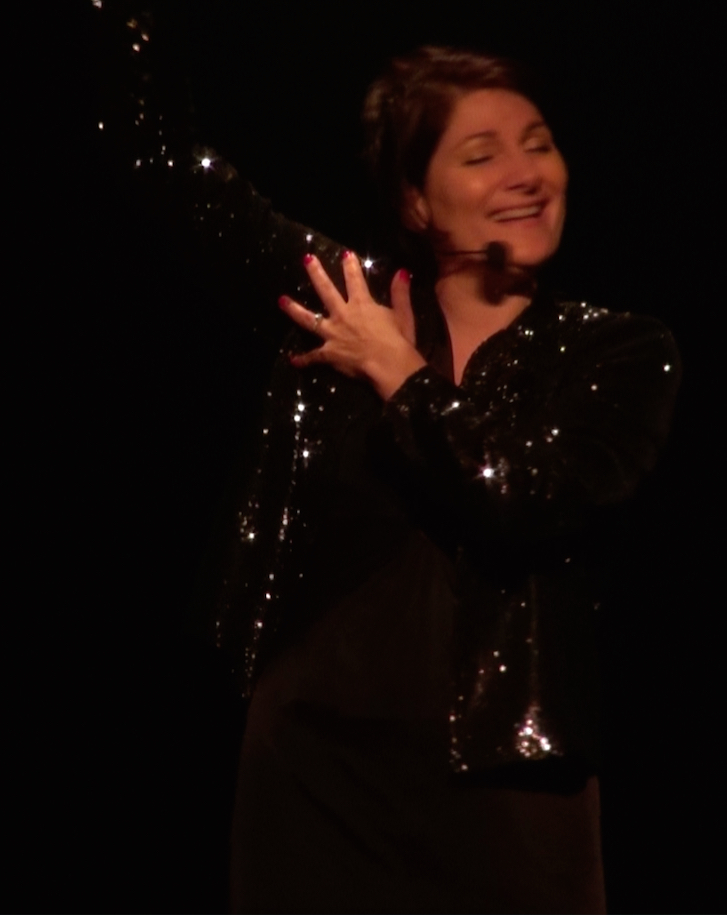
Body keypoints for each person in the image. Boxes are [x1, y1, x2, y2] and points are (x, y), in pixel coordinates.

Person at [203, 46, 679, 914]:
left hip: (508, 787)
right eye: (480, 153)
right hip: (314, 768)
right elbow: (171, 172)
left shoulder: (619, 349)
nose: (525, 172)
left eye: (537, 142)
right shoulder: (347, 303)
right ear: (416, 201)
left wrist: (401, 375)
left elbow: (527, 493)